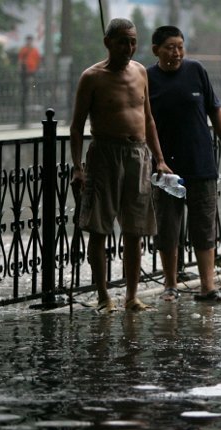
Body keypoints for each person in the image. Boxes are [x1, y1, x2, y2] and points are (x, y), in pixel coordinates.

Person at [70, 18, 171, 313]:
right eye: (122, 42)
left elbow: (148, 118)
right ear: (107, 43)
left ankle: (131, 296)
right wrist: (78, 168)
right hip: (104, 155)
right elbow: (76, 126)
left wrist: (160, 158)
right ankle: (103, 295)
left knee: (134, 229)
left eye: (132, 41)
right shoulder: (92, 77)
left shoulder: (140, 72)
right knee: (100, 228)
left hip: (137, 155)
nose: (128, 47)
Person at [147, 25, 221, 303]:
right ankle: (170, 285)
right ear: (156, 50)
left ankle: (207, 286)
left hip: (201, 162)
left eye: (180, 46)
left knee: (203, 226)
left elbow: (215, 109)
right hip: (165, 169)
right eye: (169, 47)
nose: (176, 53)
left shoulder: (196, 71)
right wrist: (155, 160)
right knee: (167, 228)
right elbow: (143, 120)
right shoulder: (147, 78)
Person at [17, 35, 41, 126]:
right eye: (28, 40)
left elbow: (38, 61)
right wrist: (20, 68)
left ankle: (31, 97)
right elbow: (20, 60)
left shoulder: (35, 50)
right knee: (25, 90)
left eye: (30, 40)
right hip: (25, 72)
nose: (29, 42)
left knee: (32, 87)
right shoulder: (23, 50)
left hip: (32, 72)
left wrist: (37, 69)